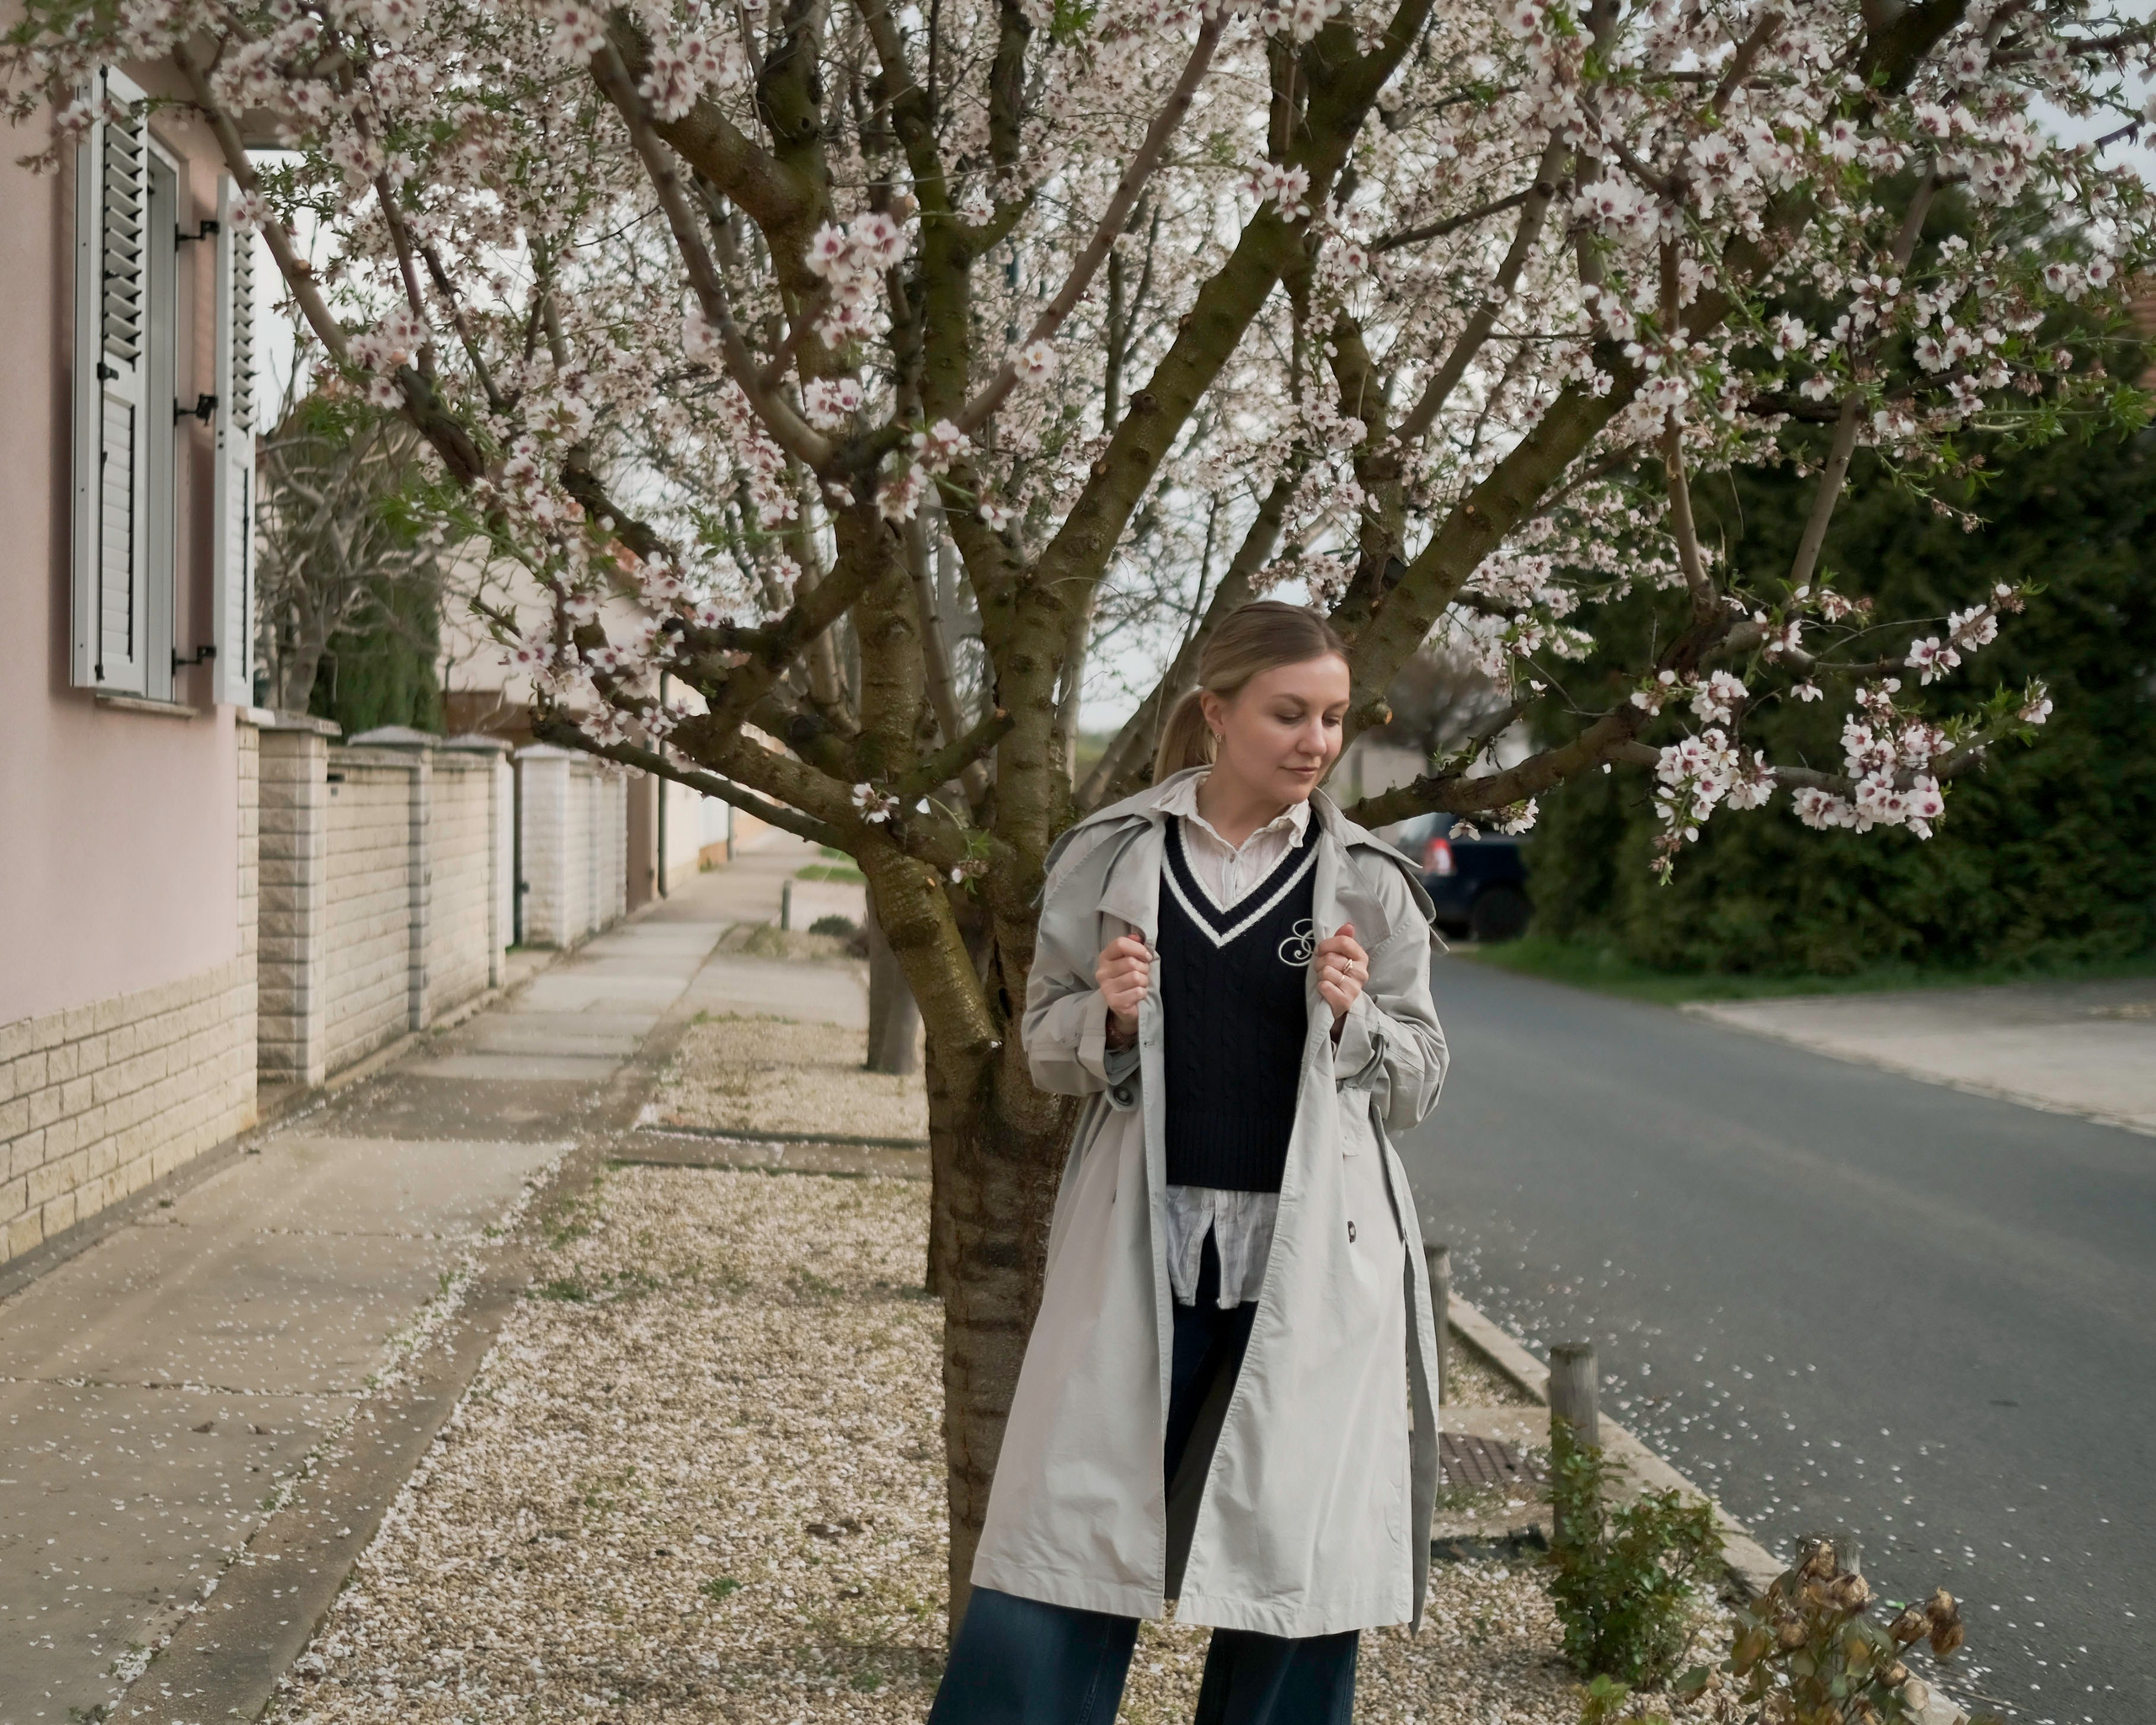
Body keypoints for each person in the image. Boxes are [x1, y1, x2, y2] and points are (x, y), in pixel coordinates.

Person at [927, 601, 1450, 1725]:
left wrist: (1356, 1023)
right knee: (1064, 1544)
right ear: (1216, 713)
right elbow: (1045, 1046)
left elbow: (1420, 1077)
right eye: (1289, 713)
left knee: (1292, 1575)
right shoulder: (1112, 858)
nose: (1316, 742)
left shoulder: (1368, 882)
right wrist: (1109, 1023)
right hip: (1141, 1243)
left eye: (1334, 718)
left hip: (1312, 1264)